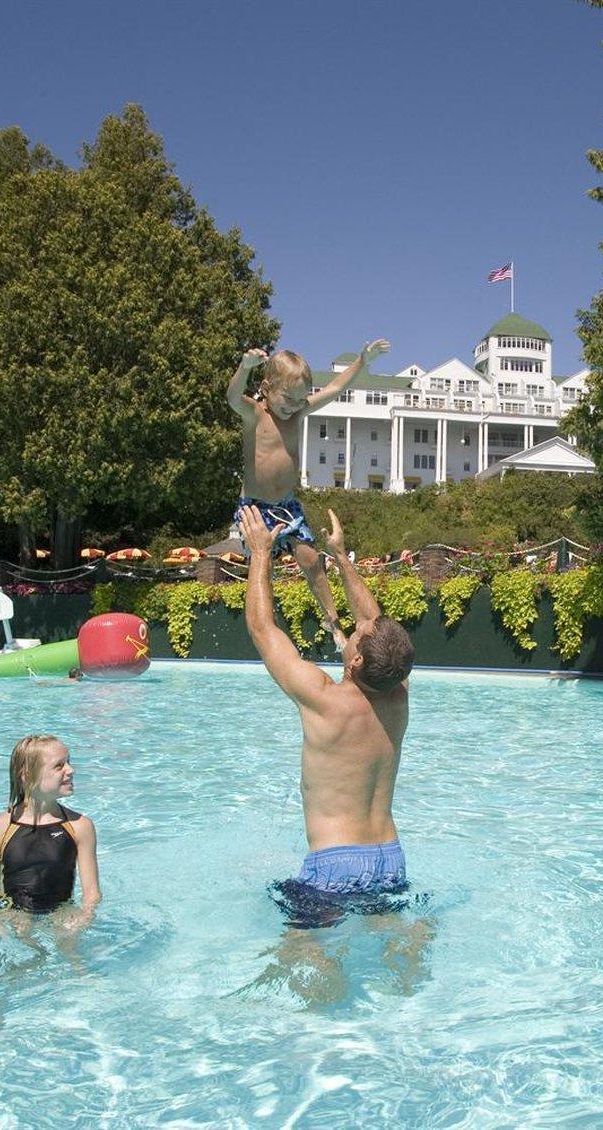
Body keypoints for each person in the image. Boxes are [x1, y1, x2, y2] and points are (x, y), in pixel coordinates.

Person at [240, 504, 417, 927]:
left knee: (308, 960)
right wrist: (339, 555)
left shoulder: (325, 700)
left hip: (335, 864)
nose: (354, 629)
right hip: (390, 859)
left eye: (354, 637)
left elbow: (264, 631)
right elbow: (373, 621)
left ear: (355, 663)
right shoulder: (399, 693)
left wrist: (261, 553)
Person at [227, 339, 389, 649]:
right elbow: (233, 397)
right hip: (255, 508)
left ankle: (333, 623)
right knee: (263, 568)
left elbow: (336, 389)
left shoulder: (297, 413)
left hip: (288, 506)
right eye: (288, 399)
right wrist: (243, 368)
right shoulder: (255, 415)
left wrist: (362, 360)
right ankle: (265, 629)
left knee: (312, 560)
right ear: (265, 387)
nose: (294, 406)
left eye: (300, 401)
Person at [0, 734, 100, 927]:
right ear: (28, 774)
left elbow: (92, 894)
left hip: (62, 915)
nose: (71, 770)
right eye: (59, 765)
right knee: (16, 931)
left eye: (69, 762)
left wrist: (84, 918)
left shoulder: (80, 826)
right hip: (13, 916)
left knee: (69, 945)